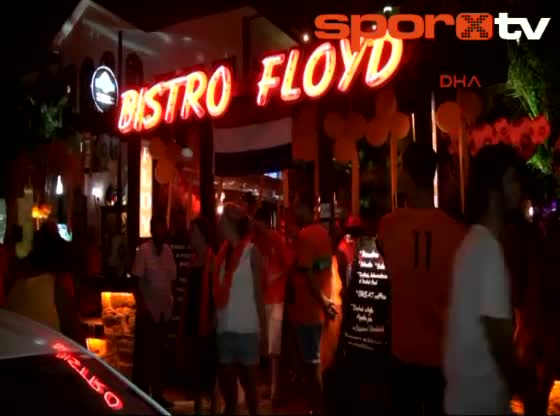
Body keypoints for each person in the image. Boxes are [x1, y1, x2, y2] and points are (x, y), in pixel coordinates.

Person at [377, 142, 466, 416]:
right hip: (444, 355)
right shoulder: (457, 233)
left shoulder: (388, 225)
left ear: (407, 175)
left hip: (403, 354)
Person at [444, 144, 524, 415]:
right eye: (512, 180)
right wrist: (524, 385)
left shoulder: (472, 243)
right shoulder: (488, 250)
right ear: (494, 189)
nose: (518, 189)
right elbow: (499, 338)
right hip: (481, 403)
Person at [214, 203, 266, 416]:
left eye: (222, 220)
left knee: (251, 391)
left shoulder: (252, 252)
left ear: (230, 223)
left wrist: (263, 331)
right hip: (224, 328)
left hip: (247, 329)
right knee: (229, 395)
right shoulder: (221, 253)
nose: (219, 223)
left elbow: (259, 294)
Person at [291, 198, 337, 415]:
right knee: (318, 364)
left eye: (296, 207)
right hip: (321, 309)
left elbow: (308, 274)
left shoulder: (305, 236)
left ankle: (315, 409)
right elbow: (323, 266)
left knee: (311, 367)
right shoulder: (324, 234)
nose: (294, 211)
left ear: (306, 209)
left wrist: (322, 300)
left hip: (308, 310)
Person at [132, 215, 176, 408]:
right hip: (149, 310)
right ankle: (142, 395)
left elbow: (171, 279)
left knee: (160, 354)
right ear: (151, 231)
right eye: (157, 229)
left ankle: (158, 393)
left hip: (164, 310)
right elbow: (136, 280)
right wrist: (142, 307)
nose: (160, 232)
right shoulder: (143, 251)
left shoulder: (168, 251)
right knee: (146, 356)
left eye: (162, 228)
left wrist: (171, 303)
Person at [180, 217, 220, 415]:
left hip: (207, 317)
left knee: (208, 362)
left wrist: (215, 316)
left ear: (202, 235)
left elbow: (216, 292)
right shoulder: (194, 259)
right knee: (195, 362)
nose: (191, 235)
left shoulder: (212, 259)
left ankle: (212, 403)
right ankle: (198, 404)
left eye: (194, 232)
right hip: (193, 315)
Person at [252, 207, 289, 405]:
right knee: (262, 345)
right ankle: (264, 387)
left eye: (257, 221)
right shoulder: (256, 240)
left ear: (263, 221)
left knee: (273, 345)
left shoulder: (276, 239)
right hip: (262, 299)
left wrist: (274, 276)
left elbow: (287, 265)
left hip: (275, 298)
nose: (255, 224)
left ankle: (274, 389)